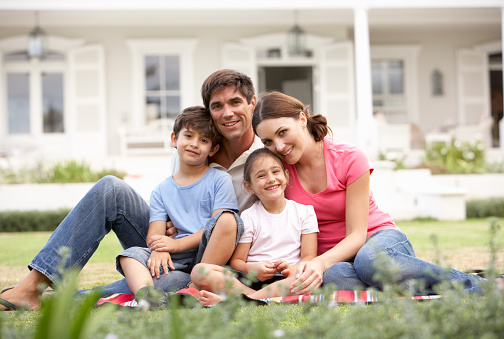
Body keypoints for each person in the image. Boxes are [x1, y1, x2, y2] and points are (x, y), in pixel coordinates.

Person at [0, 69, 262, 311]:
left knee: (156, 287)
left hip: (219, 261)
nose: (227, 113)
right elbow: (169, 208)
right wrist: (163, 239)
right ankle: (31, 288)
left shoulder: (266, 157)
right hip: (173, 250)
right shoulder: (188, 154)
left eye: (235, 102)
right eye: (217, 106)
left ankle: (58, 301)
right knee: (110, 188)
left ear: (251, 104)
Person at [251, 91, 489, 296]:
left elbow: (357, 235)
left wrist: (318, 262)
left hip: (378, 242)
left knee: (370, 262)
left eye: (283, 132)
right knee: (335, 279)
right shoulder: (278, 174)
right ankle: (414, 287)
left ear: (302, 119)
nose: (279, 147)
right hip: (336, 261)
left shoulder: (349, 158)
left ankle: (476, 284)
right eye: (268, 141)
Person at [117, 106, 240, 298]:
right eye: (189, 136)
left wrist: (173, 245)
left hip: (208, 259)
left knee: (227, 219)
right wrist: (160, 249)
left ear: (213, 149)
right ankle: (149, 295)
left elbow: (219, 226)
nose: (194, 144)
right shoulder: (161, 190)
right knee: (129, 256)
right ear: (174, 139)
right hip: (176, 263)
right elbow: (154, 235)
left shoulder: (219, 179)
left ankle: (193, 285)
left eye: (204, 140)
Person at [190, 148, 318, 306]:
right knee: (199, 271)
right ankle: (253, 298)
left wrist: (291, 269)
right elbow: (237, 261)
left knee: (306, 276)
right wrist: (253, 269)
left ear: (286, 175)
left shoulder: (305, 212)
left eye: (275, 171)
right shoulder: (249, 216)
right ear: (249, 187)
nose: (271, 179)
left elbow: (309, 257)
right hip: (249, 281)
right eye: (261, 175)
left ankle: (239, 300)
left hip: (286, 280)